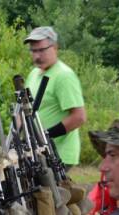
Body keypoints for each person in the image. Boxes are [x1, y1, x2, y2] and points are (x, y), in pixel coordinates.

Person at [24, 26, 86, 168]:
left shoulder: (63, 76)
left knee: (52, 191)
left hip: (59, 155)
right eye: (33, 51)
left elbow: (79, 117)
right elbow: (25, 108)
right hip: (39, 153)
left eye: (41, 50)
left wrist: (45, 136)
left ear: (55, 48)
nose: (37, 56)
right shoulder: (34, 74)